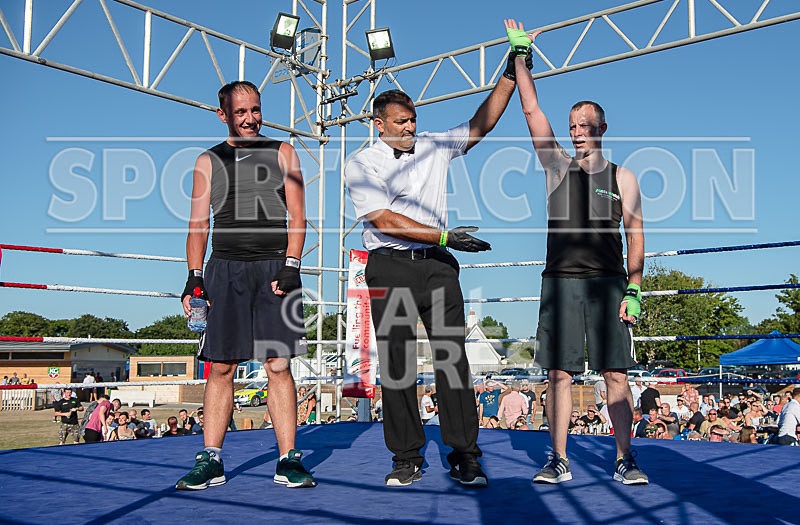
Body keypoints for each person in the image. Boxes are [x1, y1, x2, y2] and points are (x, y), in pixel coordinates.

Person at [344, 22, 528, 485]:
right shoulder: (362, 163)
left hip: (439, 270)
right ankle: (406, 456)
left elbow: (481, 124)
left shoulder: (433, 146)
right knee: (399, 364)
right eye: (401, 121)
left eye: (413, 119)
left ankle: (465, 453)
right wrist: (445, 237)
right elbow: (383, 221)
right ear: (379, 123)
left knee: (452, 360)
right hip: (390, 265)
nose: (410, 127)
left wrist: (509, 72)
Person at [509, 18, 647, 485]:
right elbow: (531, 113)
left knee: (615, 375)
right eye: (572, 126)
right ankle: (559, 458)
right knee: (559, 375)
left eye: (586, 125)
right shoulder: (556, 167)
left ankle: (625, 458)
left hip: (610, 285)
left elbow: (636, 235)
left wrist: (636, 288)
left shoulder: (624, 177)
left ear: (603, 127)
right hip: (561, 282)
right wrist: (521, 60)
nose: (578, 132)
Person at [175, 80, 314, 491]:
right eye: (241, 113)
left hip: (274, 269)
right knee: (220, 366)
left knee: (278, 365)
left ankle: (288, 459)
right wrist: (193, 277)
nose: (251, 118)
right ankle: (211, 459)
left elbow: (298, 215)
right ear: (223, 116)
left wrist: (292, 266)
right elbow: (198, 224)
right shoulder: (207, 161)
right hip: (224, 270)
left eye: (256, 109)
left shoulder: (283, 152)